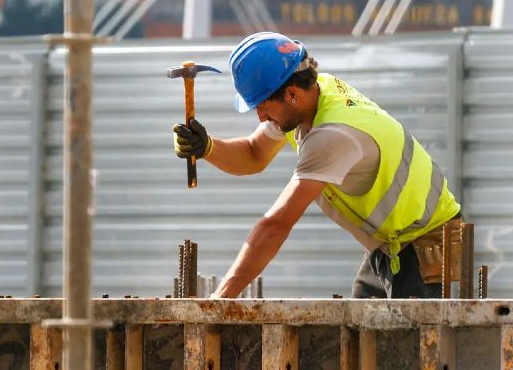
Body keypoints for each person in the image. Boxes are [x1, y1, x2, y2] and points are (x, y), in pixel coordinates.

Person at [172, 31, 463, 299]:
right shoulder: (313, 95)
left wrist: (219, 301)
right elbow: (253, 154)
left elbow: (275, 225)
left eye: (262, 105)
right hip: (392, 246)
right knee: (362, 342)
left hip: (430, 251)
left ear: (291, 95)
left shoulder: (332, 134)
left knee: (412, 353)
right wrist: (206, 146)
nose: (260, 117)